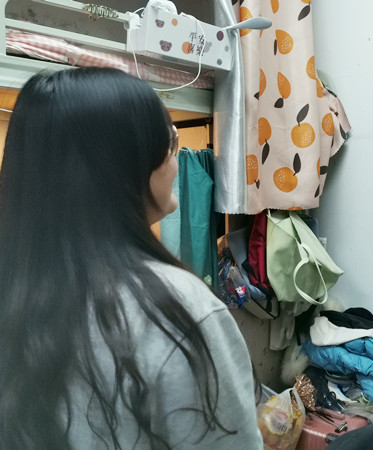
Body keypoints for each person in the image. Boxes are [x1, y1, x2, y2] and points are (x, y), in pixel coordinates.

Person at [0, 67, 262, 449]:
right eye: (169, 143)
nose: (174, 161)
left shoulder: (17, 287)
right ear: (125, 166)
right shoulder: (180, 309)